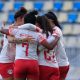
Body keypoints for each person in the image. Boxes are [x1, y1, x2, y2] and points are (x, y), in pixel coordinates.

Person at [0, 7, 27, 80]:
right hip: (6, 61)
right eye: (25, 19)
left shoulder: (21, 29)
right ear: (20, 19)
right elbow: (11, 40)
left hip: (15, 61)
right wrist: (25, 40)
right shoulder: (12, 28)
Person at [45, 12, 69, 80]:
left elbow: (48, 44)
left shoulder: (56, 30)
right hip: (58, 63)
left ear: (51, 20)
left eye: (45, 20)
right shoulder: (51, 31)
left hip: (60, 63)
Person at [36, 15, 60, 80]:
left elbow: (37, 49)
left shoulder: (38, 35)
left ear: (38, 24)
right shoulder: (53, 34)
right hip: (54, 66)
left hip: (42, 65)